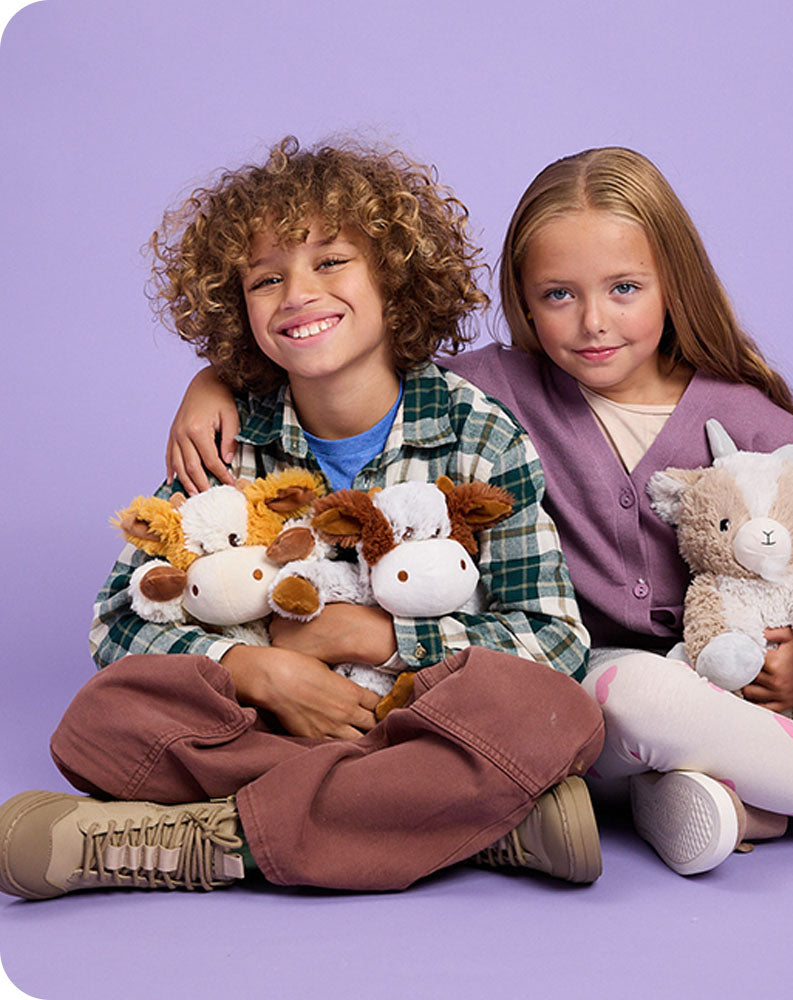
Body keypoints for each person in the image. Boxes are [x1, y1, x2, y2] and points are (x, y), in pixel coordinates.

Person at [160, 146, 793, 878]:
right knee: (638, 695)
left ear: (677, 283)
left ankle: (749, 794)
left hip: (782, 684)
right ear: (523, 302)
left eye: (625, 288)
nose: (593, 322)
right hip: (617, 693)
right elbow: (350, 353)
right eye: (557, 295)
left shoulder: (751, 419)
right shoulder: (490, 392)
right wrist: (218, 382)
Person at [0, 137, 607, 901]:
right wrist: (259, 670)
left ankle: (199, 843)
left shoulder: (478, 433)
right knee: (103, 716)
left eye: (330, 262)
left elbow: (554, 638)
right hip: (273, 730)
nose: (297, 294)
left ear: (394, 277)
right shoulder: (228, 440)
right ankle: (466, 824)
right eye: (265, 278)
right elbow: (118, 622)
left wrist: (374, 636)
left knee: (556, 712)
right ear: (237, 307)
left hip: (425, 720)